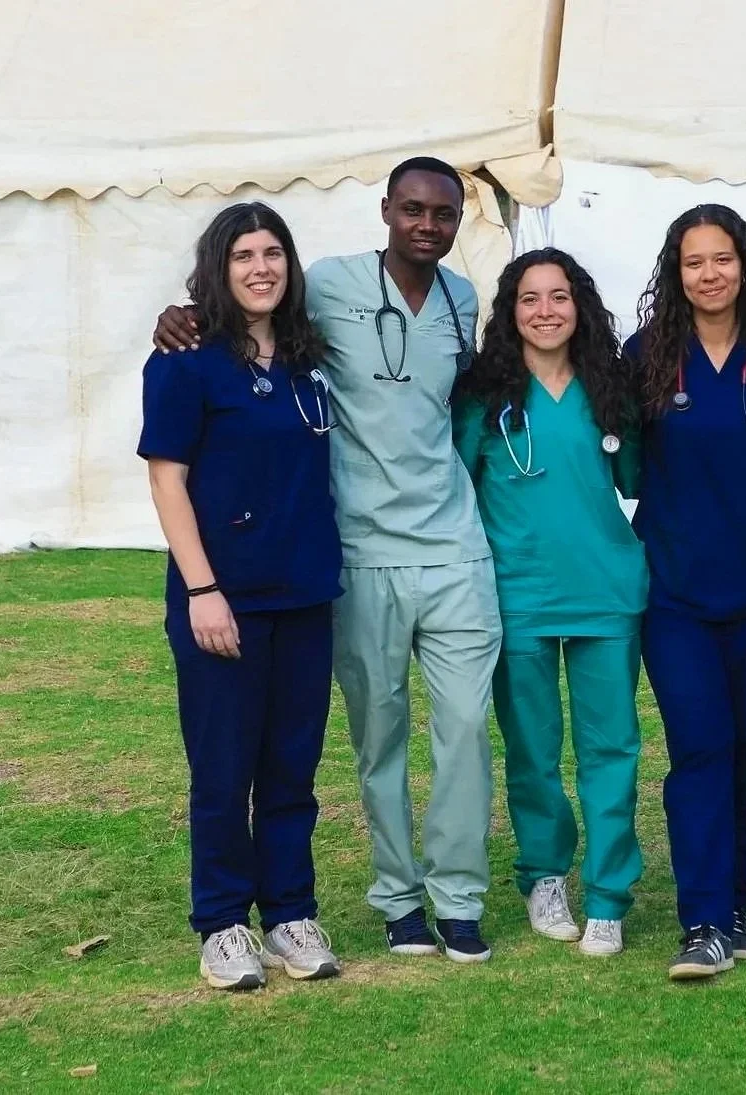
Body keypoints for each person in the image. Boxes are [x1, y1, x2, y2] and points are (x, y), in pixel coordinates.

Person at [153, 157, 502, 964]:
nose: (426, 223)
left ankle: (447, 897)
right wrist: (179, 314)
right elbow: (244, 311)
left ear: (456, 220)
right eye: (411, 208)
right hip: (351, 557)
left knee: (450, 732)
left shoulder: (459, 300)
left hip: (430, 553)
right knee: (358, 740)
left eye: (441, 212)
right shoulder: (329, 287)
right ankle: (380, 902)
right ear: (384, 210)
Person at [137, 201, 344, 989]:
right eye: (243, 256)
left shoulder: (305, 358)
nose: (261, 268)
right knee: (224, 766)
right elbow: (167, 479)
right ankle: (223, 923)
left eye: (273, 254)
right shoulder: (184, 361)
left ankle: (290, 913)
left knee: (292, 764)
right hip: (222, 595)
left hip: (303, 590)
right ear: (217, 270)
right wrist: (202, 588)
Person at [626, 204, 746, 981]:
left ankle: (738, 905)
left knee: (745, 748)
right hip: (674, 592)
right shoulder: (645, 354)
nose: (709, 274)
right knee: (697, 745)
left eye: (722, 258)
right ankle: (701, 917)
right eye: (693, 261)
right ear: (675, 270)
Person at [452, 249, 646, 957]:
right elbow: (459, 491)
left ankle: (606, 895)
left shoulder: (608, 387)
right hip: (518, 594)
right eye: (528, 299)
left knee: (610, 747)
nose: (544, 311)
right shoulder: (483, 396)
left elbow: (631, 476)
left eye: (558, 297)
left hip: (605, 589)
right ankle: (543, 876)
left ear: (579, 305)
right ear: (510, 311)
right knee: (532, 750)